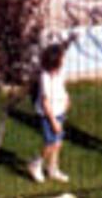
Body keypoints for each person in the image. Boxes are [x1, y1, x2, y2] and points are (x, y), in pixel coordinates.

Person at [28, 43, 71, 183]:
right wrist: (53, 121)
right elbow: (45, 102)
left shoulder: (60, 72)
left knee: (58, 143)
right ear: (54, 61)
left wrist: (66, 98)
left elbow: (62, 88)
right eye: (62, 57)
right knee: (50, 144)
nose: (64, 59)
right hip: (48, 115)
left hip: (59, 111)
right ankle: (36, 164)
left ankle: (53, 169)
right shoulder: (45, 77)